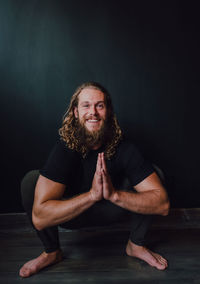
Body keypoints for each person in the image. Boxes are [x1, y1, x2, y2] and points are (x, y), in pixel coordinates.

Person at [19, 82, 170, 277]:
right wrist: (91, 196)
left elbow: (163, 204)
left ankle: (136, 245)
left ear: (108, 111)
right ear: (75, 112)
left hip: (112, 211)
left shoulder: (124, 147)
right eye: (86, 105)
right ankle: (51, 252)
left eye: (99, 105)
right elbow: (39, 218)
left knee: (155, 175)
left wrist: (114, 195)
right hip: (73, 215)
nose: (93, 112)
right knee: (31, 182)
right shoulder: (65, 149)